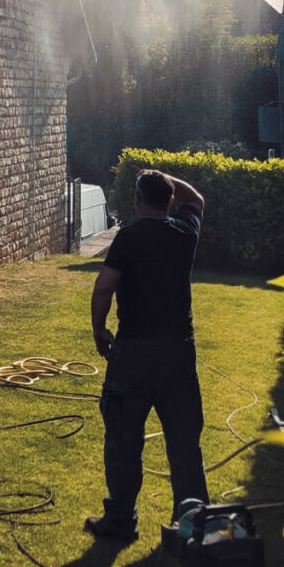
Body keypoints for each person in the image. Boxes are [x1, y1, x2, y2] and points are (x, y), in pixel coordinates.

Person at [85, 169, 209, 543]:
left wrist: (99, 328)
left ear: (137, 201)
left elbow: (104, 285)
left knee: (124, 441)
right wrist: (166, 178)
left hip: (133, 353)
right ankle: (191, 525)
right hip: (178, 353)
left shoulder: (128, 237)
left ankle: (121, 522)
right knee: (185, 443)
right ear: (169, 202)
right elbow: (197, 200)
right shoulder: (185, 232)